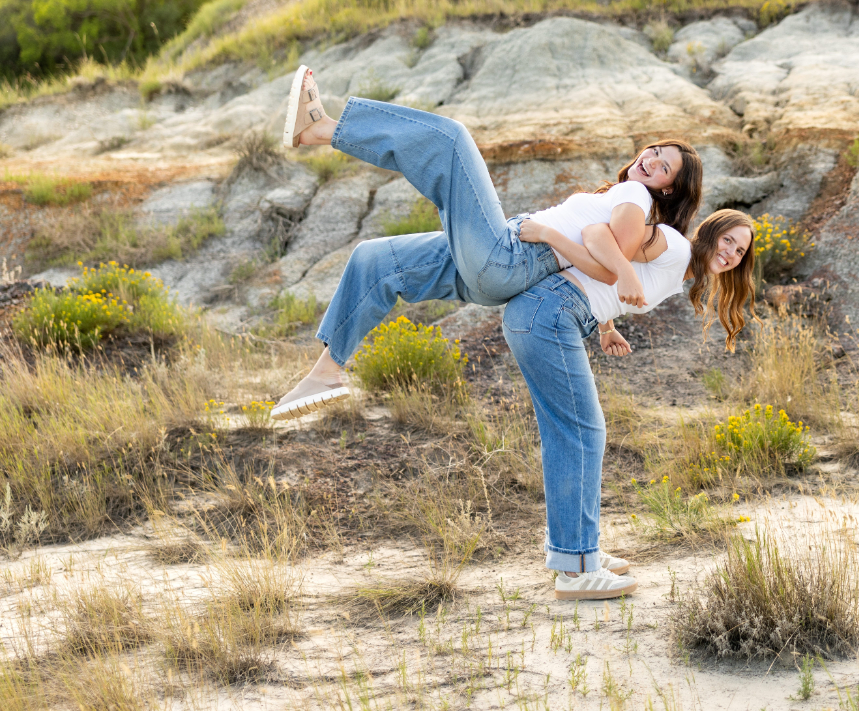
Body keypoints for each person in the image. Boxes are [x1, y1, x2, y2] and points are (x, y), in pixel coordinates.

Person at [270, 65, 702, 420]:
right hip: (500, 267)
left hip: (511, 256)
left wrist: (554, 238)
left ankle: (320, 129)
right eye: (655, 150)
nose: (650, 161)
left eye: (662, 167)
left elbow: (608, 266)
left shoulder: (636, 196)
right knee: (376, 260)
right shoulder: (622, 196)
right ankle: (325, 373)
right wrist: (607, 325)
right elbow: (602, 254)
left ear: (666, 189)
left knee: (451, 140)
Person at [505, 208, 756, 599]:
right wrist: (619, 273)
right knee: (583, 436)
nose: (731, 253)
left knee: (570, 436)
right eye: (728, 240)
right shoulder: (673, 246)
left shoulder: (680, 269)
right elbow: (597, 234)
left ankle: (577, 553)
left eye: (740, 251)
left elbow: (601, 271)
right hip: (550, 312)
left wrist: (605, 324)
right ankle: (575, 568)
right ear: (710, 231)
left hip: (549, 313)